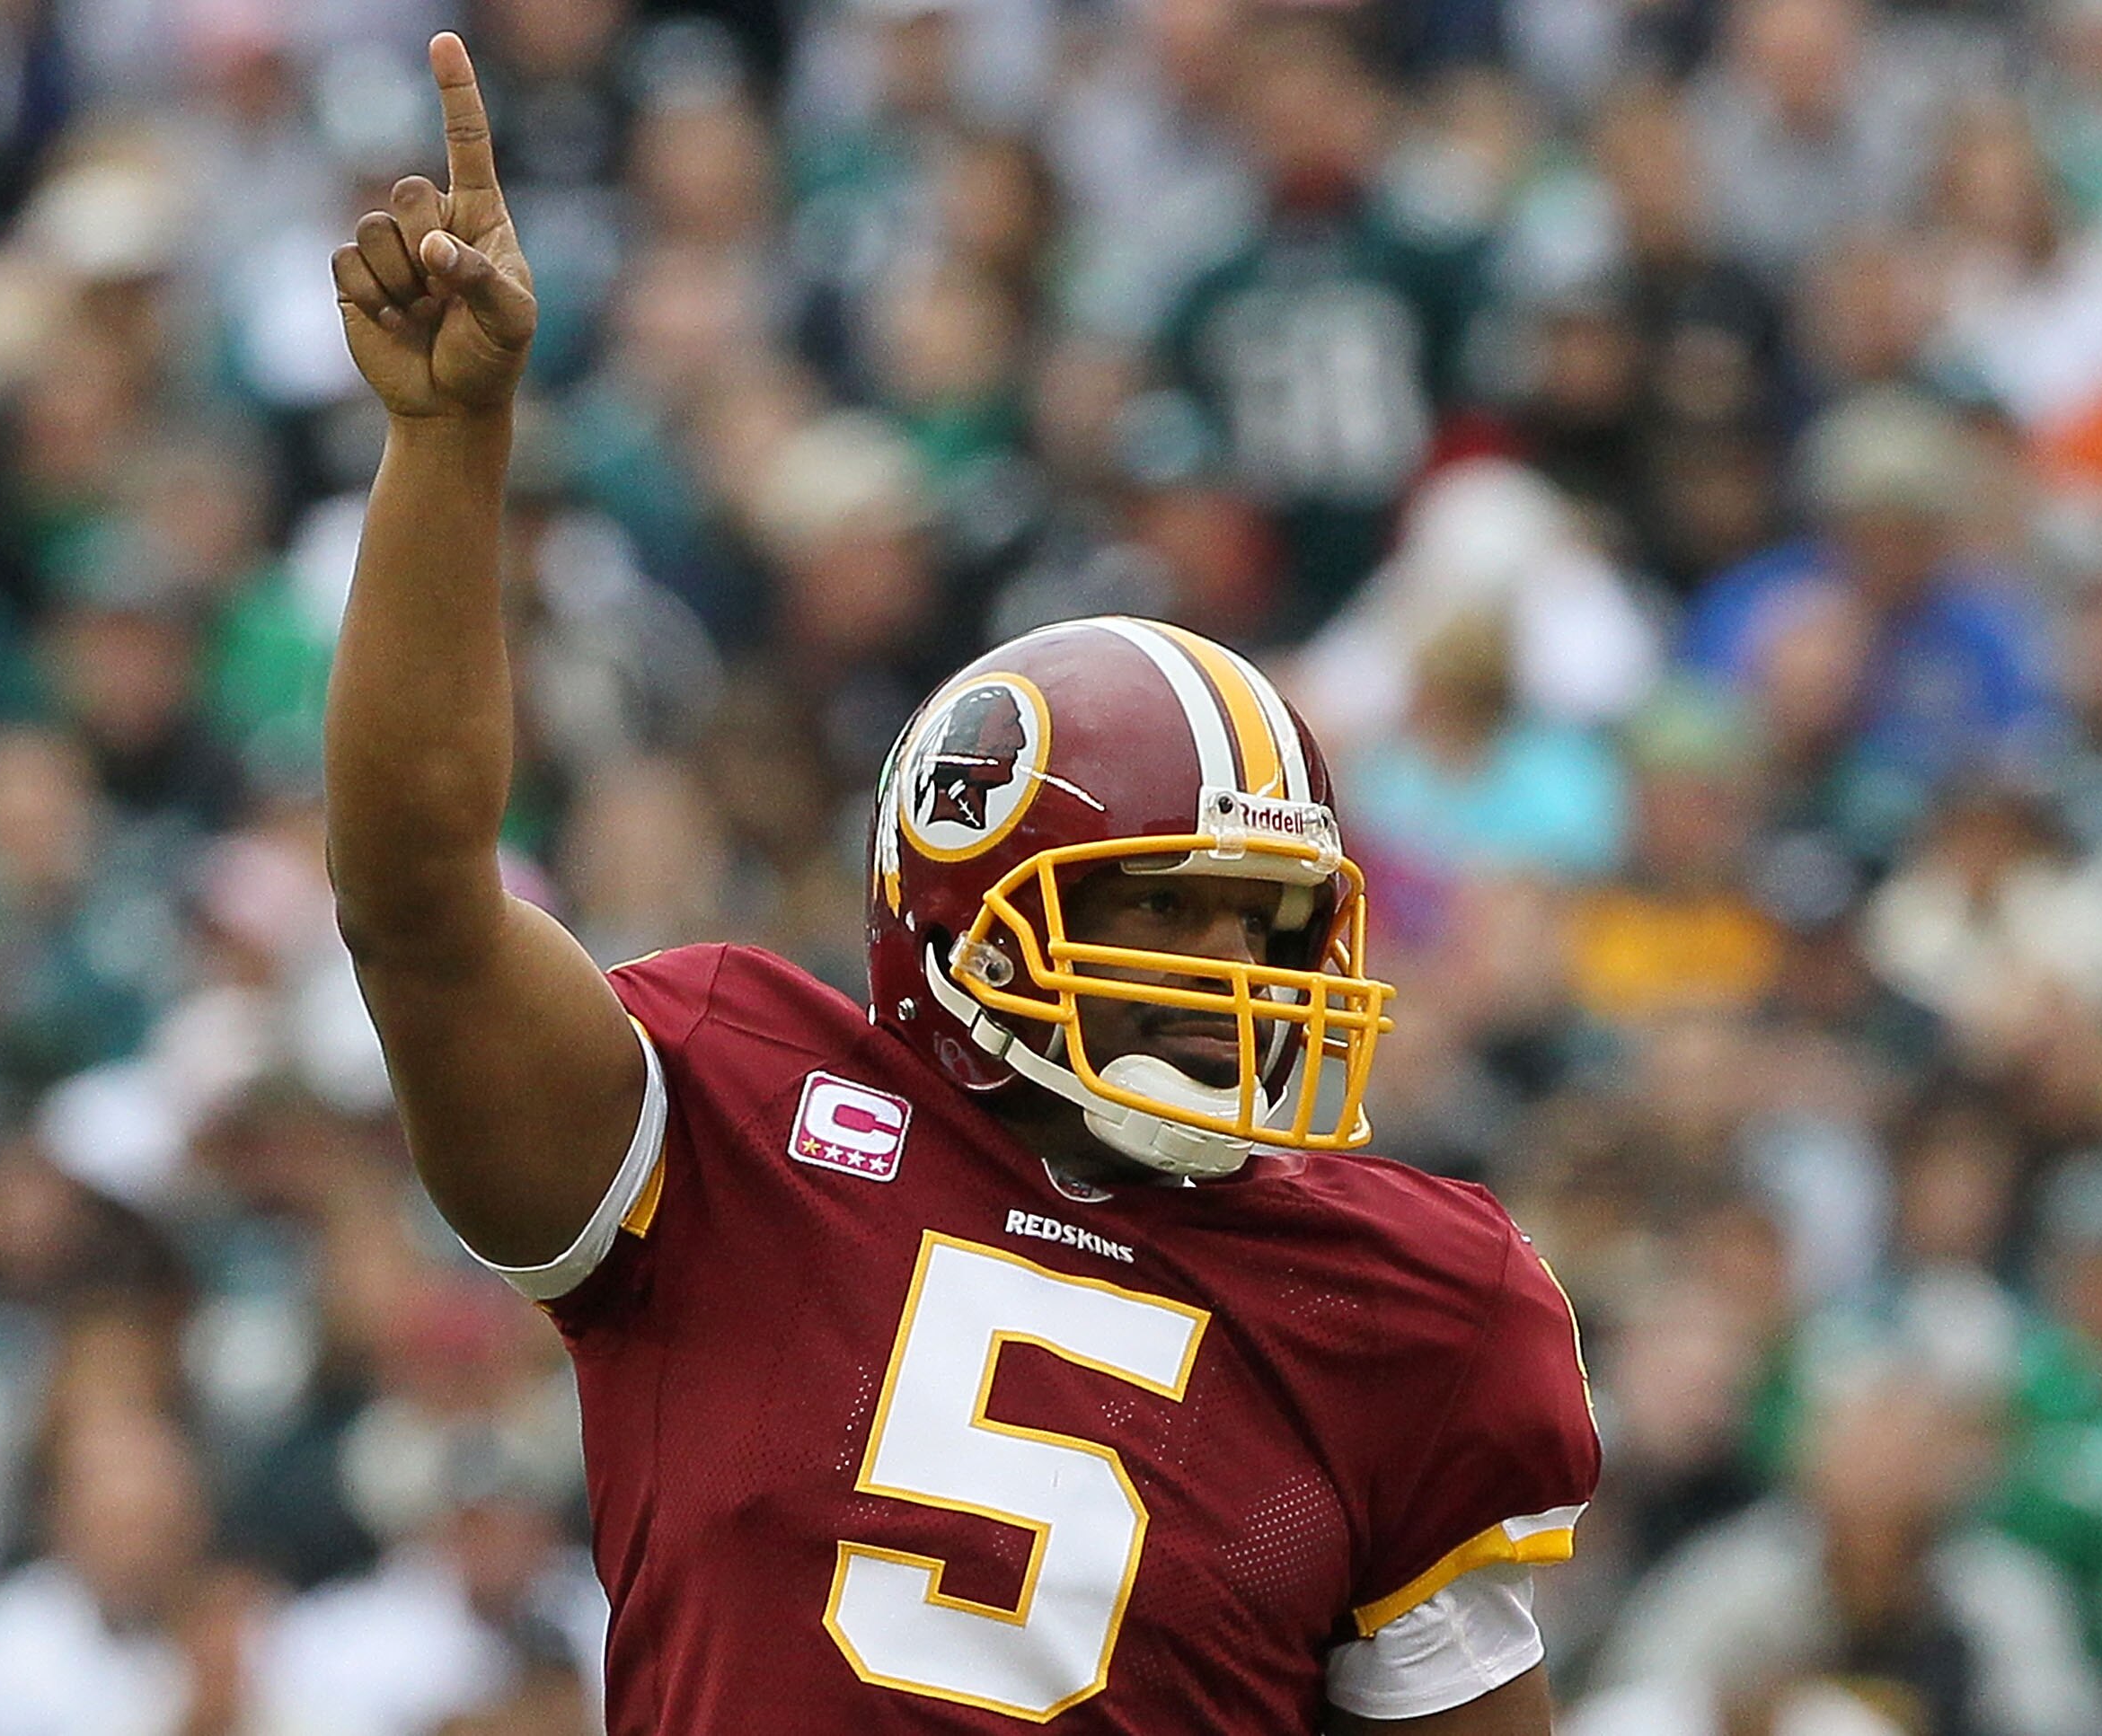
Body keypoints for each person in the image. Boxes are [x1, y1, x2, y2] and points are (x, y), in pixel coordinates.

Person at [322, 34, 1598, 1736]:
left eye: (1270, 918)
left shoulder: (1414, 1309)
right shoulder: (733, 1126)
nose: (1237, 971)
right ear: (958, 907)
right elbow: (413, 897)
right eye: (1165, 906)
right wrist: (449, 441)